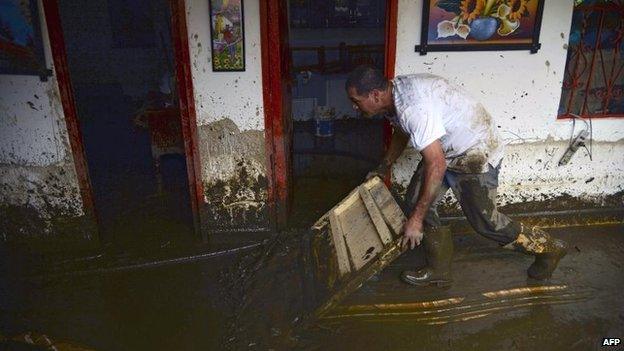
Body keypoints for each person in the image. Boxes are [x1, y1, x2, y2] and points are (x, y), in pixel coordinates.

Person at [345, 65, 568, 287]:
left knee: (486, 223)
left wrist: (415, 220)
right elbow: (403, 130)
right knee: (415, 202)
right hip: (447, 151)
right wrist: (386, 164)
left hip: (475, 151)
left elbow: (436, 163)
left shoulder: (413, 109)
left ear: (375, 95)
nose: (354, 107)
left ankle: (548, 248)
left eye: (356, 100)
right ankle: (439, 269)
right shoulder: (396, 95)